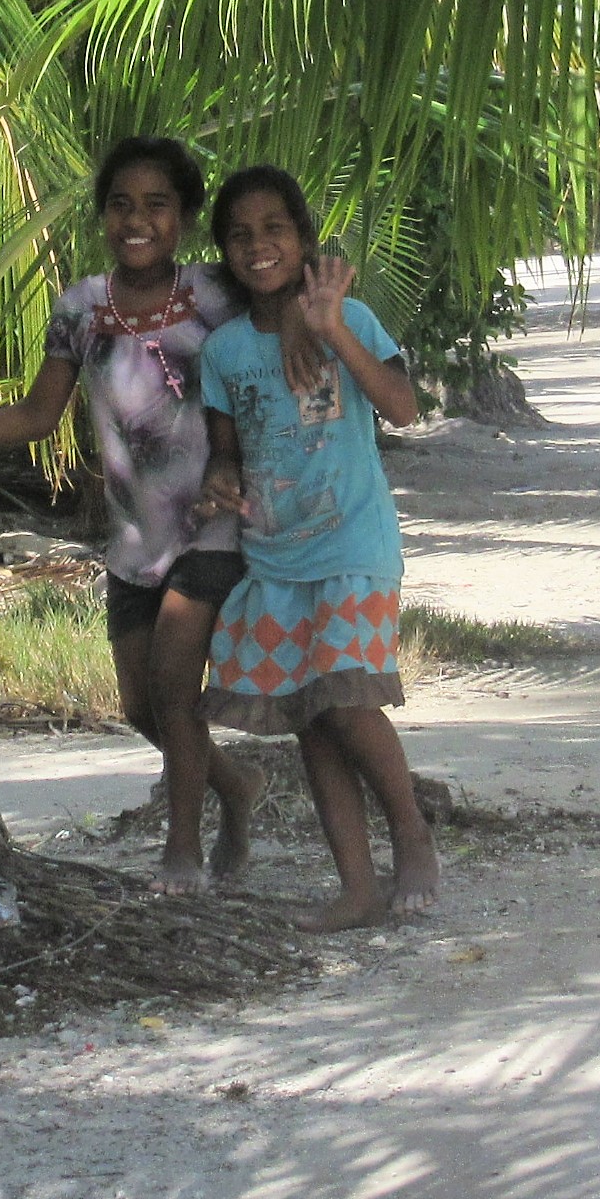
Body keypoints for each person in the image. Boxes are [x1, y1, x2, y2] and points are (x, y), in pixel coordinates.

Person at [0, 135, 262, 893]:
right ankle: (237, 785)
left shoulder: (220, 294)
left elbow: (272, 358)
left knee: (173, 689)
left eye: (157, 205)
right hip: (131, 541)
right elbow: (37, 412)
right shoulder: (80, 307)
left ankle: (181, 851)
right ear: (102, 218)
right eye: (121, 204)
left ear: (185, 217)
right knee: (140, 707)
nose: (138, 219)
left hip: (212, 529)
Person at [196, 165, 439, 931]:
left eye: (275, 228)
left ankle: (411, 831)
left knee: (348, 697)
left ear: (302, 238)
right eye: (240, 234)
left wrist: (331, 326)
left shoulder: (352, 318)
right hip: (274, 559)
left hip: (354, 546)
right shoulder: (226, 350)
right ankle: (357, 887)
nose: (258, 245)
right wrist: (221, 479)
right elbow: (224, 448)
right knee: (313, 718)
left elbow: (402, 409)